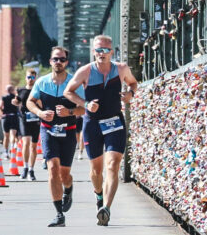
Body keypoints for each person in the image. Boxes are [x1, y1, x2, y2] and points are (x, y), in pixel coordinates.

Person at [64, 35, 139, 226]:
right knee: (96, 170)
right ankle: (98, 196)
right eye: (98, 50)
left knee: (112, 165)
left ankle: (106, 208)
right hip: (93, 124)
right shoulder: (85, 71)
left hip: (115, 122)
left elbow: (133, 83)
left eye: (105, 50)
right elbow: (68, 91)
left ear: (111, 52)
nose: (101, 54)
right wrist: (85, 104)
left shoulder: (121, 69)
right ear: (93, 51)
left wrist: (130, 94)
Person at [26, 46, 86, 227]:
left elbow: (84, 108)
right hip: (48, 131)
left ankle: (69, 187)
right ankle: (59, 214)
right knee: (52, 168)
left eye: (61, 59)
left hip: (68, 132)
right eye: (55, 59)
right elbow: (30, 101)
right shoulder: (42, 82)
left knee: (64, 174)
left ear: (66, 62)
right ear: (50, 61)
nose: (58, 62)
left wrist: (69, 111)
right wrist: (40, 113)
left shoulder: (74, 83)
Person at [16, 69, 39, 180]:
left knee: (33, 146)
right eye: (29, 77)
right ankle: (25, 168)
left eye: (33, 77)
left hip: (35, 119)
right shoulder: (21, 90)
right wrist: (14, 102)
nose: (30, 79)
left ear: (35, 78)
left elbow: (42, 103)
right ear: (26, 78)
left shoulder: (38, 89)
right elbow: (16, 100)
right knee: (26, 143)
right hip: (24, 118)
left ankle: (31, 169)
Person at [0, 85, 20, 154]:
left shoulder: (4, 97)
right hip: (14, 116)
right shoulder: (15, 97)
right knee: (13, 134)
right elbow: (19, 106)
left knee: (6, 136)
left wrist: (3, 110)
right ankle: (12, 148)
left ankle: (6, 152)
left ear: (6, 90)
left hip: (5, 117)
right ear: (13, 90)